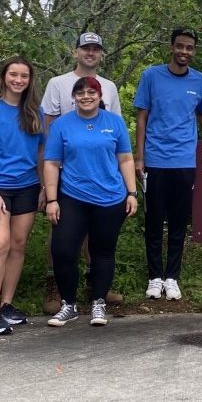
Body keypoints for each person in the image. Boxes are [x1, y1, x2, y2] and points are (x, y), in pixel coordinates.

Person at [135, 28, 202, 301]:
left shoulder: (200, 81)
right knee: (153, 221)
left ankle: (172, 277)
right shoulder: (151, 76)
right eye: (180, 46)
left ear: (194, 51)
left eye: (189, 48)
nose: (184, 52)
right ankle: (154, 277)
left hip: (185, 160)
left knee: (178, 221)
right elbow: (141, 118)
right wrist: (139, 157)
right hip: (156, 159)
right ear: (171, 47)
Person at [44, 76, 139, 327]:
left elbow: (126, 159)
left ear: (100, 96)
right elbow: (52, 163)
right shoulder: (61, 125)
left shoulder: (114, 123)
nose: (86, 96)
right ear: (73, 97)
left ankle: (98, 302)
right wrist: (51, 199)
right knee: (62, 250)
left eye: (91, 92)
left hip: (110, 198)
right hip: (72, 196)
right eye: (81, 92)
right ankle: (68, 304)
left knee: (102, 252)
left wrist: (132, 193)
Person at [41, 31, 125, 313]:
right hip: (66, 174)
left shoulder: (110, 87)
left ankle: (96, 286)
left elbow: (117, 139)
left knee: (98, 238)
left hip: (102, 176)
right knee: (62, 235)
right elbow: (47, 131)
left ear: (101, 54)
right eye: (85, 48)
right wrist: (46, 185)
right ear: (75, 51)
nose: (90, 53)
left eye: (95, 49)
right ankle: (57, 286)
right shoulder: (57, 84)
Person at [0, 57, 46, 335]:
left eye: (24, 76)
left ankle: (6, 305)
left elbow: (40, 153)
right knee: (0, 244)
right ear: (3, 77)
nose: (18, 80)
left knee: (17, 245)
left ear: (30, 80)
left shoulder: (34, 111)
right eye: (13, 74)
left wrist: (44, 187)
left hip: (27, 185)